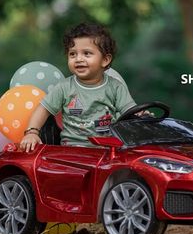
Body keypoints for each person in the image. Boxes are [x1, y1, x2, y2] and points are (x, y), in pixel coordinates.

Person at [20, 22, 136, 151]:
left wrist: (143, 115)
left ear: (105, 60)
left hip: (108, 151)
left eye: (86, 53)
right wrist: (32, 132)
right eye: (72, 54)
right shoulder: (64, 87)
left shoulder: (115, 87)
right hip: (73, 152)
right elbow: (43, 109)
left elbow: (130, 111)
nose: (78, 59)